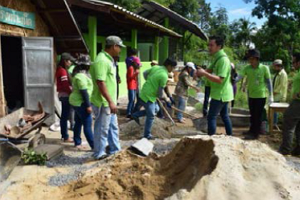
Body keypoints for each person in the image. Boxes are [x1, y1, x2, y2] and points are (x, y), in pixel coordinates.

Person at [90, 36, 125, 159]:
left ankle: (115, 150)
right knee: (102, 129)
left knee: (113, 127)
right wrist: (110, 101)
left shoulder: (109, 60)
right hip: (103, 102)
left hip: (110, 102)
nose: (120, 50)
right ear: (114, 46)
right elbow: (101, 82)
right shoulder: (102, 60)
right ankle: (99, 153)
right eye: (119, 47)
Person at [196, 36, 233, 136]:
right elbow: (209, 70)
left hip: (220, 94)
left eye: (211, 45)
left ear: (219, 46)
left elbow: (220, 80)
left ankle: (211, 138)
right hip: (222, 93)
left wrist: (204, 73)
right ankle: (230, 136)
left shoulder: (223, 60)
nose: (209, 47)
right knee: (224, 116)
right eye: (208, 45)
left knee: (211, 116)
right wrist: (199, 72)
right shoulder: (217, 58)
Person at [131, 58, 177, 139]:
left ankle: (136, 114)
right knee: (151, 115)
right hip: (148, 96)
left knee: (156, 109)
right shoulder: (164, 76)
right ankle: (147, 135)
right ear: (169, 66)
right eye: (173, 67)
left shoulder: (156, 67)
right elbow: (160, 93)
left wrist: (149, 81)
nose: (173, 69)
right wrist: (167, 101)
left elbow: (145, 73)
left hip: (145, 91)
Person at [238, 49, 273, 140]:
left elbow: (269, 82)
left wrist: (271, 95)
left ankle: (255, 134)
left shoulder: (264, 68)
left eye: (252, 59)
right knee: (252, 114)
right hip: (251, 95)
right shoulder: (247, 68)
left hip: (261, 96)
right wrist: (232, 81)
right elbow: (239, 77)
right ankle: (251, 130)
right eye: (249, 59)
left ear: (257, 59)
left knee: (258, 115)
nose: (250, 61)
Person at [69, 54, 94, 150]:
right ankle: (94, 146)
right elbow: (84, 92)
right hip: (81, 102)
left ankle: (77, 142)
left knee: (78, 122)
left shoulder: (79, 74)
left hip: (77, 102)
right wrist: (88, 106)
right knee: (87, 125)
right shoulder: (80, 76)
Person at [279, 53, 300, 156]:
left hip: (298, 103)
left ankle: (285, 150)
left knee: (288, 123)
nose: (293, 65)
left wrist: (298, 94)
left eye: (294, 62)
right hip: (297, 102)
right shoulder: (298, 72)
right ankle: (298, 150)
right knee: (298, 126)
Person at [55, 52, 75, 143]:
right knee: (65, 116)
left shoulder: (61, 69)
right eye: (69, 61)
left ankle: (65, 135)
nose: (70, 62)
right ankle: (65, 136)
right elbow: (65, 85)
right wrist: (71, 93)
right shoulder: (62, 71)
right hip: (65, 95)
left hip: (64, 95)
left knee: (64, 115)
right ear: (65, 61)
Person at [272, 59, 288, 129]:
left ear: (278, 66)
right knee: (275, 110)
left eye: (275, 66)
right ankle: (274, 123)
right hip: (276, 95)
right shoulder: (278, 73)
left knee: (275, 110)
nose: (274, 67)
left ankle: (275, 124)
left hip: (279, 95)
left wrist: (274, 91)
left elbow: (281, 85)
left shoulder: (283, 74)